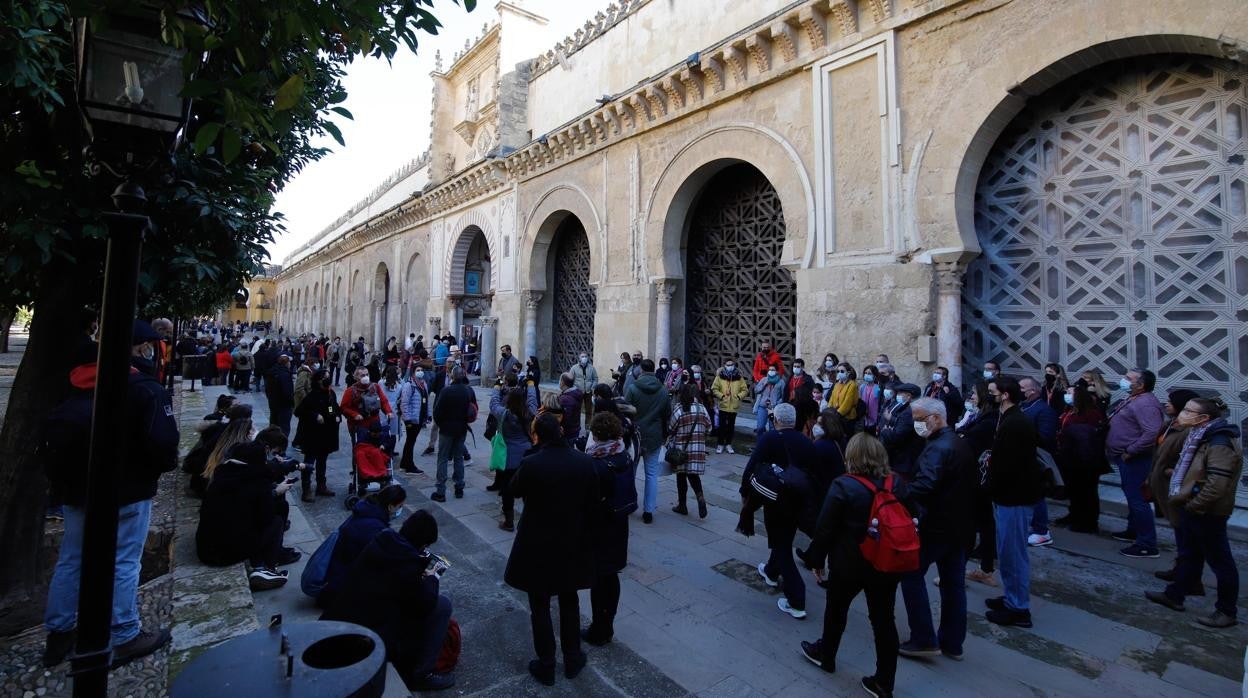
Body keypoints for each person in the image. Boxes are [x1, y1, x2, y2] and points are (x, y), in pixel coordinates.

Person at [40, 321, 180, 669]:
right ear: (139, 348)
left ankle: (60, 634)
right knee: (124, 559)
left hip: (76, 489)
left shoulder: (72, 384)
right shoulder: (144, 388)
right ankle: (124, 633)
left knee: (72, 558)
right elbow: (164, 446)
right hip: (129, 490)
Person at [799, 433, 911, 697]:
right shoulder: (896, 483)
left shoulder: (844, 485)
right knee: (884, 620)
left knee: (836, 610)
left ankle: (826, 654)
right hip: (885, 563)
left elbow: (824, 529)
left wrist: (816, 559)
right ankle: (884, 680)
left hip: (849, 563)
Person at [504, 414, 600, 686]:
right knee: (569, 600)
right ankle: (572, 657)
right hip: (572, 542)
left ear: (537, 436)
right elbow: (594, 503)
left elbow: (512, 489)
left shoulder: (532, 463)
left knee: (540, 605)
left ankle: (546, 663)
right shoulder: (584, 462)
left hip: (538, 543)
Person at [323, 510, 455, 691]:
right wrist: (431, 577)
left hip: (341, 617)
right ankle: (422, 674)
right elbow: (426, 604)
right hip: (369, 636)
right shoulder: (407, 566)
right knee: (442, 606)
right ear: (422, 543)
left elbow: (392, 577)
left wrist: (417, 565)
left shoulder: (381, 540)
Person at [1144, 397, 1242, 628]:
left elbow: (1217, 484)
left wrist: (1194, 505)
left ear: (1203, 418)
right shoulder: (1197, 436)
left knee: (1220, 561)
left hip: (1208, 511)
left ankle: (1226, 611)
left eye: (1188, 411)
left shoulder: (1219, 443)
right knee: (1190, 553)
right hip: (1192, 505)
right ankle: (1176, 593)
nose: (1182, 413)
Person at [898, 397, 975, 661]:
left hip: (937, 526)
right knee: (953, 585)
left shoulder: (939, 448)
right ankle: (953, 642)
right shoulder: (959, 442)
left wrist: (899, 495)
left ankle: (923, 638)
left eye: (920, 419)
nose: (917, 424)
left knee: (910, 575)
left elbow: (925, 486)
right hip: (959, 526)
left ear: (937, 418)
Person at [196, 432, 300, 591]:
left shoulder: (224, 473)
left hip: (207, 547)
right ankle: (267, 568)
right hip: (226, 552)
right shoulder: (257, 481)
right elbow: (264, 517)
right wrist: (275, 492)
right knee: (277, 519)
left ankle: (261, 565)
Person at [743, 403, 818, 620]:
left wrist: (745, 490)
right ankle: (771, 571)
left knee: (781, 544)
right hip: (798, 500)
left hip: (775, 499)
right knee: (783, 538)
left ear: (776, 420)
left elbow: (753, 464)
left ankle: (797, 598)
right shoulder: (806, 442)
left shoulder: (770, 438)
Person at [984, 376, 1041, 627]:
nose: (989, 395)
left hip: (1014, 496)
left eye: (992, 392)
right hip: (1006, 495)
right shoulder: (1008, 418)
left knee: (1014, 554)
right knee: (1006, 551)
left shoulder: (1016, 423)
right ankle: (1011, 597)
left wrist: (991, 485)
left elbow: (1010, 463)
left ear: (1005, 395)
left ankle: (1019, 608)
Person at [583, 412, 636, 646]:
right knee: (611, 575)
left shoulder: (596, 463)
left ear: (596, 435)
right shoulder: (624, 454)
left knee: (598, 577)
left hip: (600, 524)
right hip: (619, 522)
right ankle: (608, 624)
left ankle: (598, 628)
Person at [1106, 368, 1166, 558]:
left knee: (1138, 499)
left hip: (1135, 459)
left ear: (1141, 385)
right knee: (1132, 496)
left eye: (1128, 378)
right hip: (1125, 457)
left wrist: (1130, 451)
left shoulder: (1146, 404)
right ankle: (1133, 530)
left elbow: (1150, 433)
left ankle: (1147, 543)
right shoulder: (1134, 399)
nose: (1123, 380)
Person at [318, 485, 407, 609]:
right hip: (342, 587)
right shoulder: (374, 527)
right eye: (400, 506)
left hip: (339, 576)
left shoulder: (366, 512)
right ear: (390, 506)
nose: (400, 510)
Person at [957, 381, 999, 587]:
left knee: (971, 525)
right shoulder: (982, 418)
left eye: (974, 393)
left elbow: (970, 445)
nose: (971, 396)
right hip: (977, 478)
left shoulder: (988, 422)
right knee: (983, 522)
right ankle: (985, 568)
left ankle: (959, 573)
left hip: (977, 479)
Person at [1052, 381, 1108, 534]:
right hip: (1069, 458)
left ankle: (1088, 522)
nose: (1067, 396)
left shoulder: (1090, 414)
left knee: (1087, 492)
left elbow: (1089, 439)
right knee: (1074, 491)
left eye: (1070, 393)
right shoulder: (1070, 411)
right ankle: (1074, 515)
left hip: (1084, 461)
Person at [625, 359, 671, 524]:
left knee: (631, 472)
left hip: (635, 436)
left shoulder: (633, 388)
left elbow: (625, 411)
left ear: (641, 370)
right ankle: (648, 511)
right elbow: (667, 414)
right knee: (651, 475)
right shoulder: (663, 391)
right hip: (654, 436)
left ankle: (630, 503)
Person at [1018, 376, 1059, 547]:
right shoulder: (1023, 406)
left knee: (1037, 496)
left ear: (1032, 391)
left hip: (1036, 459)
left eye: (1021, 388)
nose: (1018, 391)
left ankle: (1041, 530)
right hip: (1022, 458)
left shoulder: (1043, 410)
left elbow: (1046, 437)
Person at [490, 386, 533, 531]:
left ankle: (509, 521)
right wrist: (531, 386)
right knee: (528, 487)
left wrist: (496, 388)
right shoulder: (528, 412)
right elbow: (533, 400)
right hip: (526, 454)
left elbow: (494, 404)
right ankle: (529, 519)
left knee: (507, 488)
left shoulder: (503, 414)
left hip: (508, 455)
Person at [667, 384, 713, 518]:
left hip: (681, 450)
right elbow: (709, 428)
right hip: (697, 448)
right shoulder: (701, 408)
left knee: (681, 476)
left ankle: (682, 505)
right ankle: (700, 497)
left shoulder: (679, 409)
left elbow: (671, 428)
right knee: (693, 475)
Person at [431, 366, 477, 502]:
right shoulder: (468, 391)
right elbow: (473, 410)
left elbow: (437, 412)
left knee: (443, 458)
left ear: (452, 376)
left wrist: (441, 424)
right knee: (458, 458)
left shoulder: (446, 391)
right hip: (461, 428)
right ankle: (459, 487)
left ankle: (440, 491)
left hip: (447, 429)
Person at [294, 368, 340, 501]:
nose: (328, 379)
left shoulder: (330, 394)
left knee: (322, 461)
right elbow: (300, 412)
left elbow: (333, 407)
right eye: (326, 377)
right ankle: (306, 489)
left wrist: (336, 416)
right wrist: (315, 415)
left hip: (326, 434)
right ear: (319, 380)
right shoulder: (312, 395)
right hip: (312, 435)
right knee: (309, 462)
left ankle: (321, 485)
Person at [878, 383, 924, 480]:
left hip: (903, 459)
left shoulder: (909, 411)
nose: (897, 395)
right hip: (902, 457)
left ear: (908, 396)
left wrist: (886, 431)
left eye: (900, 393)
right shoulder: (907, 407)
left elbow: (897, 436)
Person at [340, 367, 394, 437]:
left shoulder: (375, 387)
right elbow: (344, 407)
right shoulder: (350, 391)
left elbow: (383, 401)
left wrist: (388, 412)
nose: (366, 377)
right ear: (356, 377)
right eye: (362, 375)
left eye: (367, 374)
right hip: (359, 425)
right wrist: (354, 414)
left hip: (374, 425)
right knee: (360, 446)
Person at [711, 358, 750, 454]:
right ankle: (720, 444)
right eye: (728, 365)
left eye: (731, 364)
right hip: (723, 404)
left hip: (734, 406)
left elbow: (745, 390)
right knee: (722, 426)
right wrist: (722, 396)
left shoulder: (739, 377)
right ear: (724, 365)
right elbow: (714, 388)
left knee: (731, 426)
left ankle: (728, 444)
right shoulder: (720, 377)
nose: (730, 366)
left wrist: (738, 396)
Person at [397, 366, 431, 473]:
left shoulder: (423, 384)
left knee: (411, 441)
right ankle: (409, 466)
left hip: (420, 417)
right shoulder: (409, 385)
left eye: (421, 370)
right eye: (418, 370)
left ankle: (404, 463)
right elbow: (404, 403)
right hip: (412, 419)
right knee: (410, 441)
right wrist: (407, 419)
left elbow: (426, 400)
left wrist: (428, 414)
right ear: (413, 372)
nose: (420, 372)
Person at [265, 354, 296, 436]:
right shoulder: (285, 374)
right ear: (286, 363)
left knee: (274, 425)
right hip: (284, 406)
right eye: (289, 362)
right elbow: (288, 392)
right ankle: (280, 445)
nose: (290, 364)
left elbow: (267, 389)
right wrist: (292, 403)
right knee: (283, 428)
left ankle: (272, 443)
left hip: (273, 403)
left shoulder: (272, 372)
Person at [753, 364, 786, 436]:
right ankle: (760, 445)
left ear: (777, 371)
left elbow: (783, 396)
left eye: (773, 370)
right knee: (760, 427)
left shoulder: (781, 382)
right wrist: (764, 385)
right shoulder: (764, 380)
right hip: (763, 406)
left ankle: (771, 446)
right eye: (770, 370)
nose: (771, 371)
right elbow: (756, 390)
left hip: (774, 408)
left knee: (773, 428)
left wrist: (776, 403)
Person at [828, 362, 860, 431]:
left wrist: (838, 414)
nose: (839, 373)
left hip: (847, 418)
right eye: (838, 371)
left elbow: (847, 403)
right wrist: (829, 410)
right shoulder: (837, 384)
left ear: (848, 373)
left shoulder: (852, 385)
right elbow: (832, 398)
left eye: (842, 371)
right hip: (836, 416)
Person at [381, 365, 403, 455]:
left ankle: (384, 451)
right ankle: (390, 452)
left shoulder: (380, 383)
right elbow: (400, 399)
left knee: (384, 432)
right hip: (393, 411)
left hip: (383, 410)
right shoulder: (399, 386)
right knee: (392, 433)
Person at [569, 352, 598, 421]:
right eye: (582, 356)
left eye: (585, 356)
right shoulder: (574, 368)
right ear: (579, 358)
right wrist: (574, 388)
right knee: (576, 410)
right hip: (578, 392)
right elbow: (570, 379)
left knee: (589, 410)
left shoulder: (591, 368)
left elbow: (595, 379)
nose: (584, 358)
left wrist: (592, 387)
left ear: (587, 358)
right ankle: (576, 425)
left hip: (588, 392)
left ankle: (587, 427)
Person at [557, 372, 583, 443]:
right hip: (575, 428)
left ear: (562, 382)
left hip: (568, 433)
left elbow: (566, 418)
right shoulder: (576, 392)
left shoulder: (566, 399)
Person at [859, 364, 884, 434]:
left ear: (875, 376)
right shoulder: (862, 387)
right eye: (865, 373)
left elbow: (880, 403)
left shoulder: (878, 388)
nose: (867, 375)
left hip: (875, 420)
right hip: (864, 419)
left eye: (869, 373)